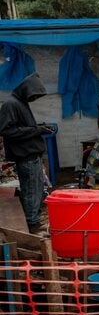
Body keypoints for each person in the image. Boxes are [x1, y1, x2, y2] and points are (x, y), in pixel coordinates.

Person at [0, 74, 52, 235]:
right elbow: (5, 130)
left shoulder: (20, 103)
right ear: (25, 90)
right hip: (25, 155)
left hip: (31, 153)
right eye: (34, 95)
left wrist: (38, 128)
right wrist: (36, 130)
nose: (34, 98)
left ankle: (33, 219)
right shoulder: (11, 104)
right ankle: (31, 223)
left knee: (36, 189)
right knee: (31, 190)